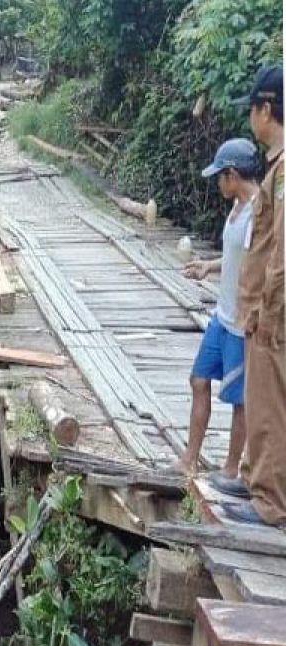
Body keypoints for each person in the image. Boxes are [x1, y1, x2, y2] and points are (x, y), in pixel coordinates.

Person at [214, 64, 286, 526]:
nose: (250, 120)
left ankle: (269, 500)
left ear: (266, 110)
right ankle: (257, 476)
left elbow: (281, 245)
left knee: (269, 403)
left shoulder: (283, 171)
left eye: (253, 110)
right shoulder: (276, 167)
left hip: (273, 311)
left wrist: (266, 305)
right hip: (266, 306)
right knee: (263, 399)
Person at [175, 138, 261, 478]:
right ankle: (189, 459)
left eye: (220, 177)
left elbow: (258, 265)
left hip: (241, 323)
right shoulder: (237, 208)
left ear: (233, 174)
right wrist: (210, 267)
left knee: (239, 400)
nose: (218, 184)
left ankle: (229, 469)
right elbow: (238, 258)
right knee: (199, 380)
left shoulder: (258, 213)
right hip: (221, 317)